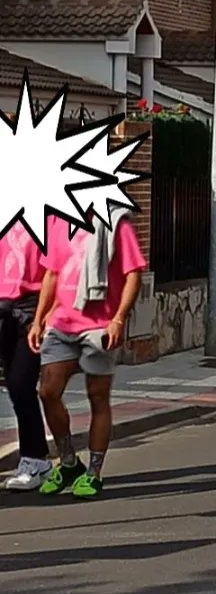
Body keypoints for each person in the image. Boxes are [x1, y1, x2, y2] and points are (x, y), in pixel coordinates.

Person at [28, 208, 147, 498]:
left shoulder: (117, 223)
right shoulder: (59, 222)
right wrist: (38, 319)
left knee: (97, 396)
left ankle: (93, 472)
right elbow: (52, 274)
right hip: (62, 323)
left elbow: (134, 274)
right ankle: (69, 461)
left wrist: (119, 319)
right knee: (48, 391)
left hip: (99, 325)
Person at [0, 225, 51, 490]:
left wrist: (42, 318)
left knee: (20, 385)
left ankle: (35, 460)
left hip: (30, 309)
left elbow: (55, 270)